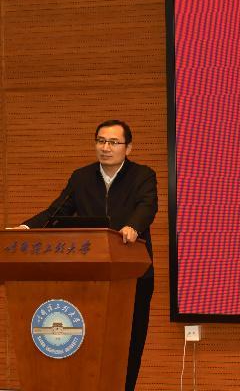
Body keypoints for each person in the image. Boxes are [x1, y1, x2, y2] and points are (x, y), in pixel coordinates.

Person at [16, 120, 157, 391]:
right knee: (90, 341)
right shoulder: (81, 177)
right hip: (91, 276)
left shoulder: (142, 176)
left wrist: (133, 227)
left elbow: (147, 206)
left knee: (129, 340)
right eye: (101, 141)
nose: (106, 147)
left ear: (128, 148)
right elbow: (56, 212)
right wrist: (25, 228)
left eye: (113, 142)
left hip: (133, 273)